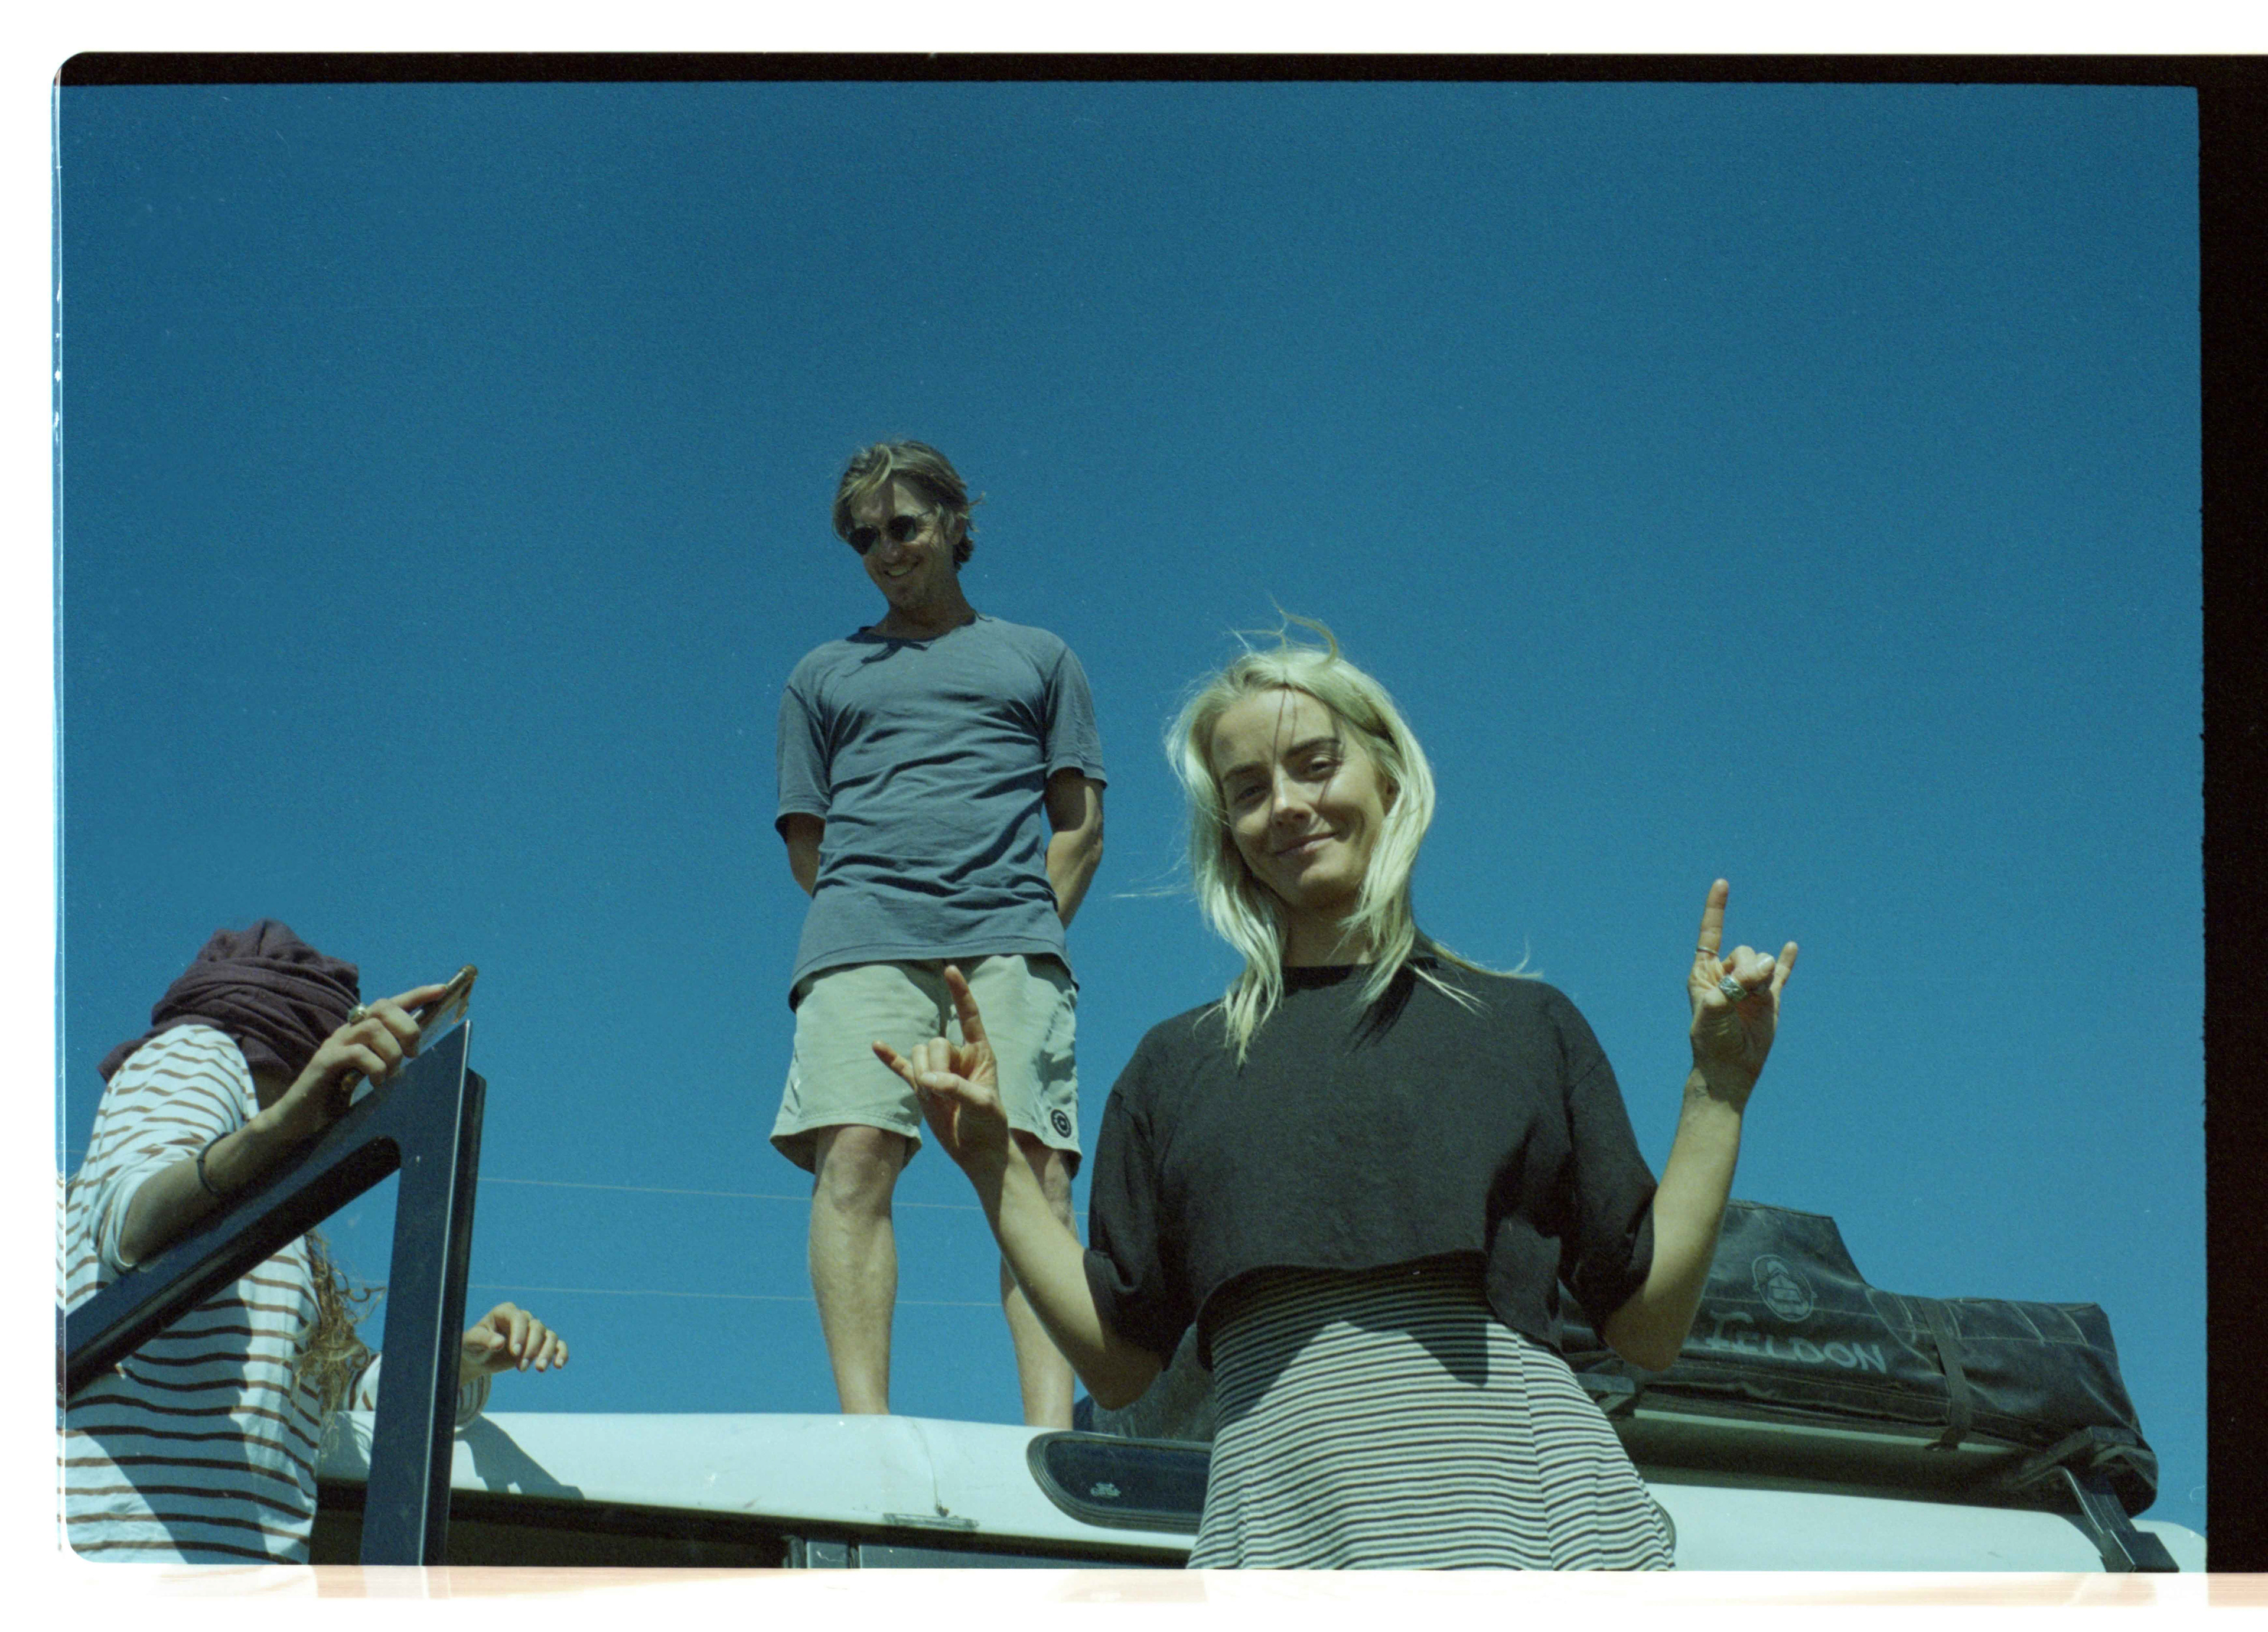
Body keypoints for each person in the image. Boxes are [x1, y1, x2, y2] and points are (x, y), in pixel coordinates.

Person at [878, 620, 1798, 1568]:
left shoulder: (1525, 1025)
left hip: (1543, 1540)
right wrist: (992, 1165)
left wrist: (1719, 1088)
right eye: (1248, 790)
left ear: (1388, 776)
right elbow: (1117, 1361)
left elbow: (1647, 1323)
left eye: (1316, 765)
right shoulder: (1176, 1066)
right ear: (1228, 833)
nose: (1286, 805)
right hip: (1286, 1549)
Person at [771, 440, 1106, 1427]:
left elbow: (1080, 828)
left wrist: (1022, 925)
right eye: (864, 538)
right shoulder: (820, 675)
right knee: (854, 1158)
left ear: (957, 522)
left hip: (1010, 943)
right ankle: (865, 1437)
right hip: (860, 941)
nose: (885, 550)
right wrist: (882, 913)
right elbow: (807, 845)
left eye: (904, 526)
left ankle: (1049, 1438)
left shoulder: (1041, 657)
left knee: (1035, 1171)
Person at [61, 921, 569, 1564]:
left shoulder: (262, 1224)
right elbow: (130, 1224)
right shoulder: (200, 1052)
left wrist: (458, 1358)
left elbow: (338, 1396)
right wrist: (280, 1127)